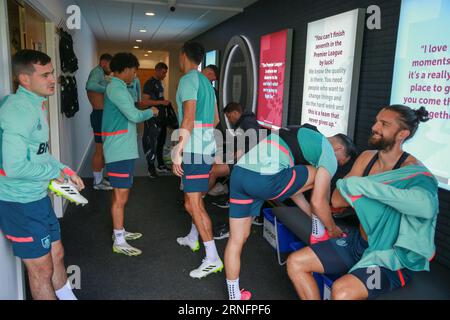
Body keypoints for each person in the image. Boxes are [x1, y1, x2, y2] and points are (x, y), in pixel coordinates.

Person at [287, 105, 437, 300]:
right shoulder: (367, 158)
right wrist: (369, 190)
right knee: (296, 262)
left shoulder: (415, 171)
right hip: (358, 243)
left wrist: (361, 187)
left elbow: (425, 207)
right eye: (376, 121)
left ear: (402, 134)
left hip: (389, 259)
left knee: (341, 292)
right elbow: (337, 199)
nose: (374, 127)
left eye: (384, 124)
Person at [224, 124, 356, 300]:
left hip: (239, 175)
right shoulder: (327, 152)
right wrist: (332, 229)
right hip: (264, 180)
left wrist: (312, 214)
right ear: (338, 148)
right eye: (340, 162)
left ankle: (234, 297)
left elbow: (294, 190)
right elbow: (318, 200)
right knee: (321, 179)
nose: (336, 166)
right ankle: (319, 232)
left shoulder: (305, 135)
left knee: (237, 239)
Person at [0, 49, 84, 300]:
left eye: (53, 73)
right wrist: (51, 173)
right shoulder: (18, 111)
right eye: (45, 75)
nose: (53, 79)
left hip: (37, 197)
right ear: (24, 79)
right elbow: (14, 168)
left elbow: (39, 153)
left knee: (57, 255)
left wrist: (64, 169)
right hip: (19, 203)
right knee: (41, 271)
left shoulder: (36, 105)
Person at [172, 42, 222, 279]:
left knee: (194, 204)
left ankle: (212, 258)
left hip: (194, 150)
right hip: (203, 147)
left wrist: (178, 149)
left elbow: (189, 118)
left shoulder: (188, 80)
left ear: (183, 56)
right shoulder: (206, 82)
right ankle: (194, 237)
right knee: (191, 200)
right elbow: (214, 120)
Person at [102, 53, 159, 256]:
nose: (135, 75)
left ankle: (120, 230)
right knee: (120, 195)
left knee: (121, 193)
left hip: (122, 147)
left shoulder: (119, 87)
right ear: (125, 69)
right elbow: (134, 115)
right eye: (134, 71)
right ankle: (118, 239)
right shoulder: (116, 88)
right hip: (118, 150)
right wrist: (151, 111)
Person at [86, 53, 113, 191]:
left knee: (103, 150)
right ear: (103, 63)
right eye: (110, 65)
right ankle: (97, 182)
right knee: (99, 150)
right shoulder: (96, 72)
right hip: (99, 115)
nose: (111, 68)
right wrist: (108, 88)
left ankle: (100, 179)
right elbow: (90, 85)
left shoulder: (101, 74)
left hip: (102, 115)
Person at [141, 62, 172, 178]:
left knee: (161, 142)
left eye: (166, 73)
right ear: (157, 70)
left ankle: (161, 165)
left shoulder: (159, 83)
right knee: (151, 143)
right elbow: (145, 102)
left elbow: (159, 98)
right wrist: (161, 102)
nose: (165, 75)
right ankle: (151, 168)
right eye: (163, 72)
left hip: (161, 118)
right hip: (152, 118)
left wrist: (164, 103)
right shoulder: (150, 83)